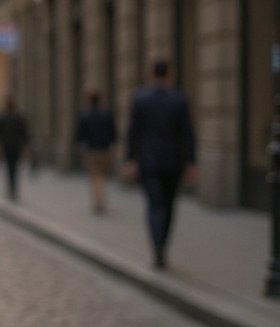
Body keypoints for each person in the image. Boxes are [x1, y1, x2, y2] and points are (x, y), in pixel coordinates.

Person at [123, 58, 197, 268]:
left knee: (155, 206)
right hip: (173, 162)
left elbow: (133, 132)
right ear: (170, 74)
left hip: (149, 161)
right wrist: (191, 162)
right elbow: (187, 134)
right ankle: (162, 246)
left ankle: (158, 249)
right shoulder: (179, 100)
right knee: (169, 205)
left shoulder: (141, 99)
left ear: (150, 73)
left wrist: (131, 159)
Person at [73, 89, 118, 213]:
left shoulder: (85, 115)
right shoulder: (107, 114)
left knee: (94, 176)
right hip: (104, 149)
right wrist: (113, 146)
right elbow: (113, 133)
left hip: (91, 150)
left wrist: (80, 147)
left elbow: (80, 134)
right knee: (102, 175)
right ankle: (101, 199)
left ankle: (98, 201)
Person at [0, 95, 29, 200]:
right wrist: (25, 146)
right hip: (16, 146)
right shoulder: (19, 117)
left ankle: (11, 188)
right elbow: (24, 133)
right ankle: (13, 188)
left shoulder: (2, 117)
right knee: (15, 166)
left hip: (7, 146)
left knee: (9, 166)